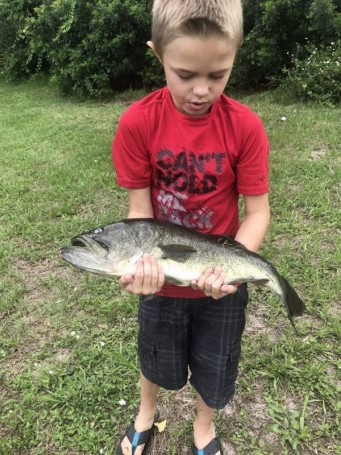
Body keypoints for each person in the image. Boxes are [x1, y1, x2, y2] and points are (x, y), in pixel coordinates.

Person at [112, 0, 270, 453]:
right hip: (162, 278)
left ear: (235, 56)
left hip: (219, 276)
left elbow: (257, 212)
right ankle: (146, 411)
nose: (202, 90)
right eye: (185, 75)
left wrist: (232, 270)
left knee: (216, 362)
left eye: (217, 75)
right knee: (153, 352)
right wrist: (137, 264)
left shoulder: (246, 127)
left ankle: (204, 425)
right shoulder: (138, 122)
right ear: (157, 53)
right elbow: (139, 212)